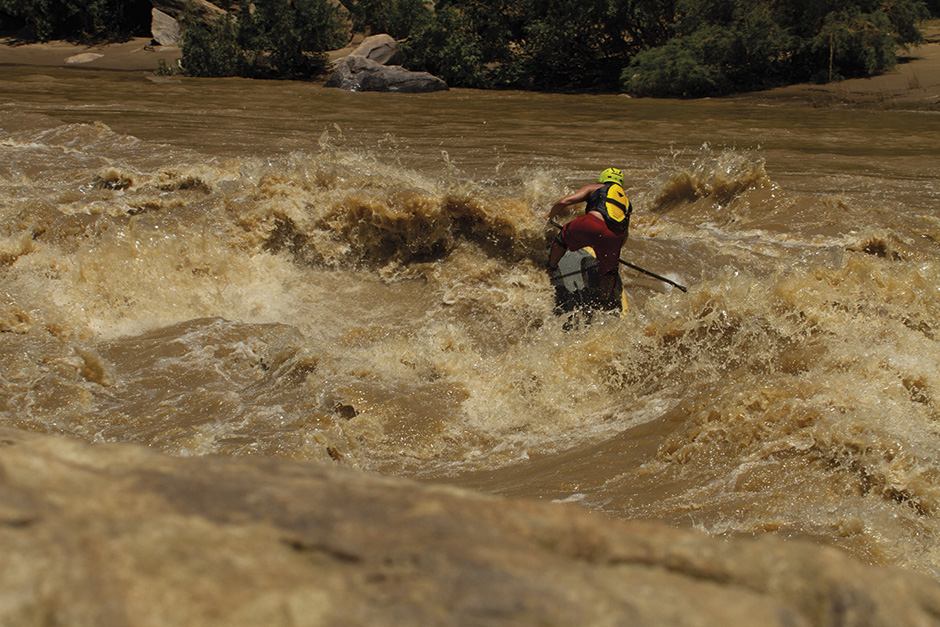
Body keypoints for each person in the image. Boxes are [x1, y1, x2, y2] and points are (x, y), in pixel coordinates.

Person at [546, 167, 631, 312]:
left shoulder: (594, 188)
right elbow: (625, 234)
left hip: (592, 223)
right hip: (614, 236)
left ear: (602, 179)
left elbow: (565, 201)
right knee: (609, 272)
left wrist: (548, 216)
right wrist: (612, 255)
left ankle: (550, 268)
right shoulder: (626, 202)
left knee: (563, 237)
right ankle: (603, 304)